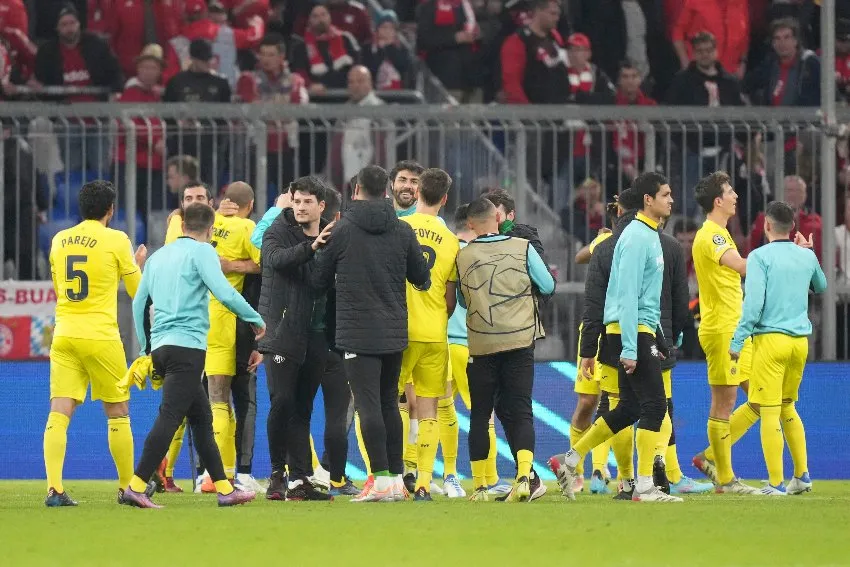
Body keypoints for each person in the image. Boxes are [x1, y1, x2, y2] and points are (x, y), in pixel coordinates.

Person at [552, 172, 682, 503]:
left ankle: (570, 460)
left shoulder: (645, 234)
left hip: (638, 329)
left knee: (629, 408)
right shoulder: (639, 237)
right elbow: (625, 293)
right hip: (632, 332)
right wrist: (629, 347)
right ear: (648, 200)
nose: (671, 200)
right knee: (655, 407)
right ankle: (643, 486)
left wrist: (659, 336)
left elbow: (643, 296)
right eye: (665, 194)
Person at [123, 202, 264, 508]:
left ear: (183, 224)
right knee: (169, 416)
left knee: (201, 418)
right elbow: (224, 292)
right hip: (188, 348)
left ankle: (225, 489)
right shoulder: (203, 252)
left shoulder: (159, 256)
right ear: (211, 229)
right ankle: (135, 485)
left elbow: (139, 304)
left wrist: (146, 347)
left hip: (161, 346)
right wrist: (254, 318)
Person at [311, 165, 430, 503]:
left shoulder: (341, 230)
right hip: (394, 331)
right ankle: (393, 480)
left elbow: (319, 281)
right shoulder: (403, 230)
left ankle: (379, 480)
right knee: (389, 405)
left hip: (356, 332)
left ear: (356, 189)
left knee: (367, 406)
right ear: (388, 191)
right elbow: (421, 277)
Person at [43, 180, 147, 507]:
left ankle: (54, 489)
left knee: (60, 411)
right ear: (110, 210)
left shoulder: (59, 240)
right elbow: (137, 293)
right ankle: (126, 487)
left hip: (64, 333)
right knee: (117, 411)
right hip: (100, 335)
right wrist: (137, 265)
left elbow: (59, 288)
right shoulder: (117, 239)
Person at [458, 197, 555, 502]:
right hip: (520, 340)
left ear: (471, 224)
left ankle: (481, 488)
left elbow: (462, 301)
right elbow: (548, 285)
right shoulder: (522, 247)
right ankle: (525, 476)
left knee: (480, 415)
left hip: (482, 344)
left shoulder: (463, 255)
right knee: (521, 410)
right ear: (497, 219)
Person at [730, 201, 824, 496]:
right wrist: (808, 253)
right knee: (787, 407)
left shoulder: (759, 256)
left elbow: (754, 304)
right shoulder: (805, 256)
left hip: (771, 341)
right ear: (793, 227)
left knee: (769, 412)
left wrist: (737, 340)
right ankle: (802, 476)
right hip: (799, 344)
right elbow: (820, 286)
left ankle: (775, 483)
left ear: (767, 226)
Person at [258, 176, 335, 502]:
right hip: (281, 331)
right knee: (282, 402)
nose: (300, 207)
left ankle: (300, 480)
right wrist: (312, 247)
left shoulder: (333, 232)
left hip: (317, 334)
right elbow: (275, 260)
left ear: (321, 206)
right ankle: (278, 473)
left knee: (303, 408)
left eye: (307, 202)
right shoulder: (278, 229)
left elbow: (327, 280)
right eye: (297, 201)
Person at [689, 171, 761, 494]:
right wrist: (778, 252)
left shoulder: (720, 233)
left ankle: (709, 458)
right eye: (730, 192)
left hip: (734, 326)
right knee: (725, 400)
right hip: (721, 328)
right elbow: (740, 265)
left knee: (760, 397)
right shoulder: (712, 235)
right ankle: (726, 479)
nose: (736, 196)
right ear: (718, 201)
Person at [397, 169, 461, 501]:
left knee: (392, 403)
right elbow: (451, 300)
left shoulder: (399, 228)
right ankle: (423, 482)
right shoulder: (451, 240)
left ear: (418, 190)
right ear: (446, 198)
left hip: (398, 330)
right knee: (429, 409)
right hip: (435, 332)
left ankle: (395, 476)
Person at [446, 204, 512, 496]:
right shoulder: (476, 255)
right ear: (472, 226)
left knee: (436, 410)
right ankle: (488, 479)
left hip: (441, 342)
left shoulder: (447, 250)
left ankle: (442, 476)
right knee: (483, 416)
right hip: (469, 344)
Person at [202, 182, 261, 488]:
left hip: (199, 316)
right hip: (226, 317)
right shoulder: (248, 227)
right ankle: (222, 474)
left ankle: (209, 474)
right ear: (249, 205)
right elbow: (264, 264)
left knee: (212, 396)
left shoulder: (207, 221)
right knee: (222, 399)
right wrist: (232, 266)